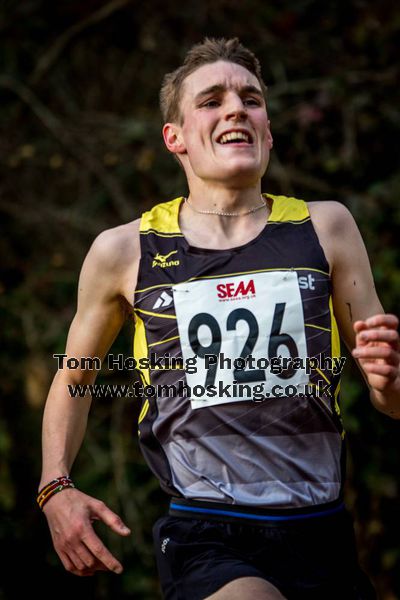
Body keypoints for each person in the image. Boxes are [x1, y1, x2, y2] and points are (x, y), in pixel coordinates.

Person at [38, 37, 400, 599]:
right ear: (174, 138)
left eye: (251, 99)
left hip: (321, 527)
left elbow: (391, 400)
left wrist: (390, 380)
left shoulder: (326, 228)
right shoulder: (124, 251)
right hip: (205, 531)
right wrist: (54, 486)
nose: (236, 107)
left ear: (269, 133)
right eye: (212, 100)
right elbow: (75, 375)